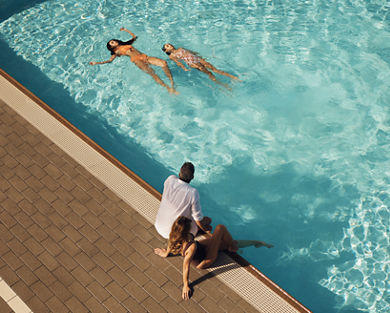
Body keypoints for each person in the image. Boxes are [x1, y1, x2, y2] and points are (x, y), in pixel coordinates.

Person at [154, 216, 273, 300]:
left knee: (223, 240)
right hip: (204, 260)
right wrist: (185, 285)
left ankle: (250, 243)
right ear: (186, 231)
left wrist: (166, 253)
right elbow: (185, 266)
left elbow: (170, 245)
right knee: (220, 229)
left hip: (200, 249)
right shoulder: (191, 246)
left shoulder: (174, 235)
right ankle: (236, 246)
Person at [90, 27, 178, 94]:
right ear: (111, 47)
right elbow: (110, 61)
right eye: (112, 43)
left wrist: (125, 30)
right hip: (137, 61)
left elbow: (134, 37)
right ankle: (168, 88)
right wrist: (96, 63)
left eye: (113, 41)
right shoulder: (116, 52)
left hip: (144, 56)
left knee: (164, 63)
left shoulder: (126, 44)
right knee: (153, 74)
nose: (114, 42)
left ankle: (171, 82)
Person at [154, 162, 212, 239]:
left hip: (159, 226)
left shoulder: (170, 179)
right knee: (208, 221)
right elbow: (198, 219)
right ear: (192, 177)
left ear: (179, 173)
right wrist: (205, 230)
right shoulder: (192, 192)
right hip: (174, 235)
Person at [162, 43, 239, 88]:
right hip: (193, 63)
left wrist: (200, 56)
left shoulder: (180, 48)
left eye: (169, 44)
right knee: (209, 73)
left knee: (214, 69)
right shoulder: (172, 56)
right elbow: (178, 62)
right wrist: (184, 67)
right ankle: (223, 85)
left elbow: (191, 52)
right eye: (167, 46)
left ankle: (233, 77)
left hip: (197, 58)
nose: (170, 45)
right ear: (166, 51)